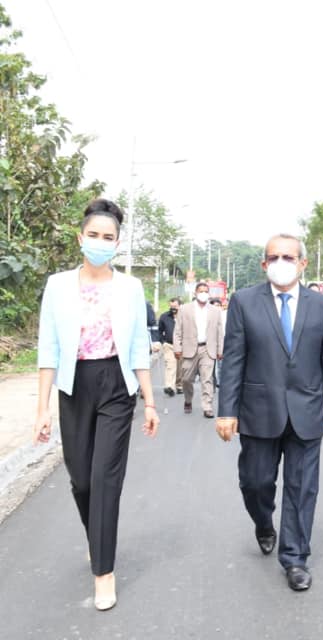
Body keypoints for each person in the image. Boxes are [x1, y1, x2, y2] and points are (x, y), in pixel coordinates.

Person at [33, 198, 159, 611]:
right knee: (82, 481)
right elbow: (48, 349)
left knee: (105, 479)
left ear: (117, 244)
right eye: (93, 235)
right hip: (74, 386)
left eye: (108, 237)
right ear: (80, 237)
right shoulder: (57, 285)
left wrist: (150, 402)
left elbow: (139, 346)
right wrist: (42, 409)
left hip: (116, 386)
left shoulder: (130, 288)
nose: (100, 243)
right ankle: (97, 536)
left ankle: (103, 572)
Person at [216, 233, 323, 591]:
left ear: (303, 263)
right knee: (255, 482)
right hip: (258, 411)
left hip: (307, 410)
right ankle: (263, 523)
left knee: (302, 488)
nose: (281, 263)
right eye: (273, 257)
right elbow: (234, 359)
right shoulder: (244, 302)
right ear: (263, 264)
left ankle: (295, 557)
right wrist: (226, 411)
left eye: (288, 257)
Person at [173, 281, 223, 418]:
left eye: (206, 291)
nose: (203, 294)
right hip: (189, 349)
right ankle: (188, 399)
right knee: (186, 379)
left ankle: (207, 406)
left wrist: (220, 350)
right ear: (195, 293)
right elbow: (177, 331)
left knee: (207, 379)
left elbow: (220, 332)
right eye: (201, 291)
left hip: (207, 349)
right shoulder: (185, 309)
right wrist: (177, 348)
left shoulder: (215, 311)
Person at [158, 297, 182, 396]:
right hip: (169, 345)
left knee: (180, 368)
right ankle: (169, 387)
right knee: (170, 365)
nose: (173, 309)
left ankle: (179, 385)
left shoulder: (185, 316)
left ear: (180, 306)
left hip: (181, 345)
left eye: (175, 306)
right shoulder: (164, 316)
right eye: (171, 307)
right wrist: (163, 342)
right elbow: (159, 331)